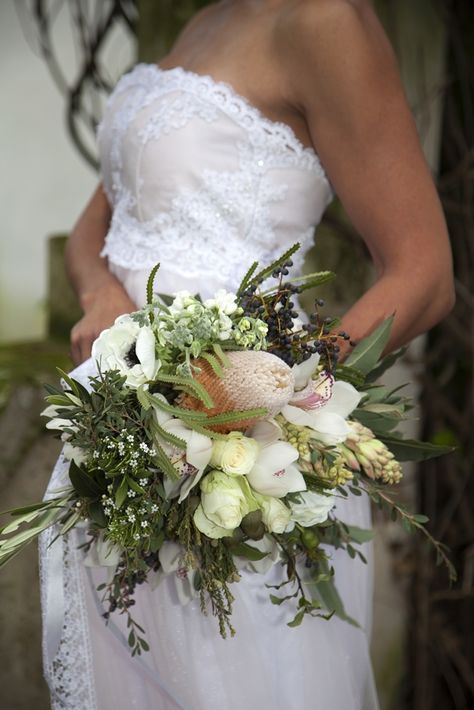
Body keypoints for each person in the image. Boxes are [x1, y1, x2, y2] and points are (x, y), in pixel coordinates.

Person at [39, 1, 455, 708]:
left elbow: (424, 273)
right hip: (123, 443)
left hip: (243, 456)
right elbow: (97, 225)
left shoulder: (326, 21)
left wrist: (277, 394)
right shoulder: (206, 18)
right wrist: (102, 297)